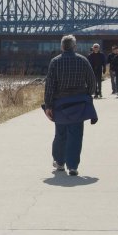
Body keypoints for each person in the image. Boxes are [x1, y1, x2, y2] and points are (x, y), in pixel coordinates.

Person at [44, 35, 96, 176]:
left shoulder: (55, 62)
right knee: (76, 135)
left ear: (62, 47)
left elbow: (50, 85)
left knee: (60, 134)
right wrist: (87, 96)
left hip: (60, 104)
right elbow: (92, 82)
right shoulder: (83, 60)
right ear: (75, 46)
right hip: (78, 104)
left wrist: (48, 105)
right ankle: (73, 166)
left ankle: (60, 162)